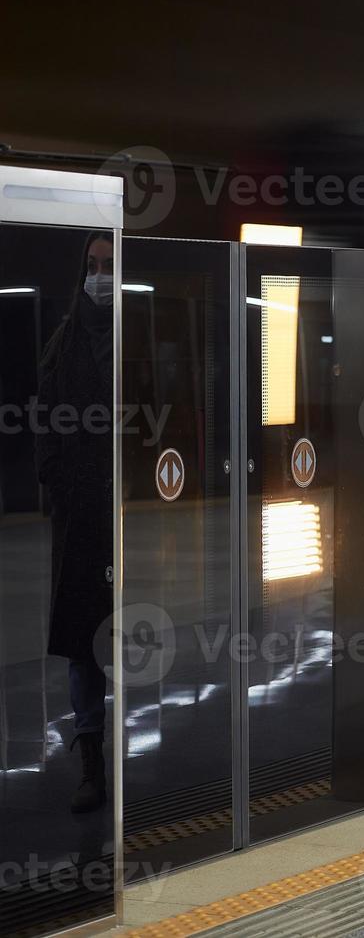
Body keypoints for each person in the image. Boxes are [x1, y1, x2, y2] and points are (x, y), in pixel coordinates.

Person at [34, 231, 114, 815]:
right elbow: (44, 432)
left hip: (129, 514)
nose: (99, 275)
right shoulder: (62, 346)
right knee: (84, 646)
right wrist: (62, 489)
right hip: (81, 518)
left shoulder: (135, 338)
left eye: (108, 265)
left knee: (130, 636)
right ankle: (92, 762)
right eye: (91, 266)